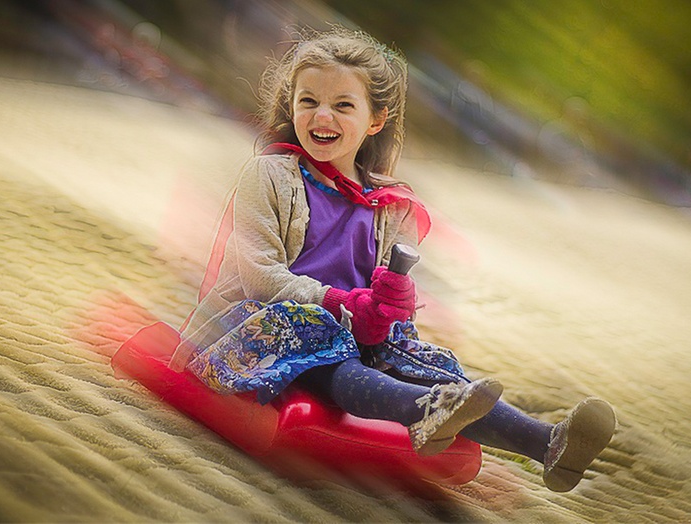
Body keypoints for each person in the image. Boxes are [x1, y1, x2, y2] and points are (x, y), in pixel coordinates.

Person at [169, 27, 615, 493]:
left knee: (415, 354)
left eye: (343, 105)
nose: (322, 115)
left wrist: (390, 304)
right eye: (308, 102)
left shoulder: (391, 204)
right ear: (292, 106)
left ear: (375, 120)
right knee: (312, 333)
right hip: (259, 327)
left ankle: (549, 443)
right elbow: (259, 277)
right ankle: (424, 410)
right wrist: (341, 301)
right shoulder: (268, 174)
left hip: (350, 328)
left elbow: (383, 292)